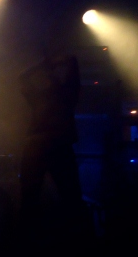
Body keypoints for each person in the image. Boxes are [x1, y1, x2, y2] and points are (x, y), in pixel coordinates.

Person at [17, 51, 91, 236]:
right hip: (57, 144)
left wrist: (44, 64)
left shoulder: (40, 98)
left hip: (37, 145)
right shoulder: (66, 96)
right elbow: (74, 74)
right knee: (71, 197)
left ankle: (26, 238)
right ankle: (79, 238)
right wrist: (66, 61)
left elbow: (22, 77)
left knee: (29, 198)